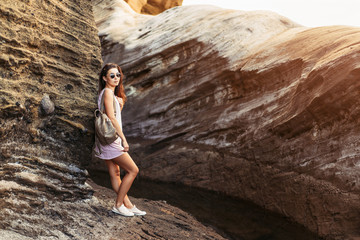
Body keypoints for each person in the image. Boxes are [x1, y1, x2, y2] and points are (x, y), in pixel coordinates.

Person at [94, 63, 146, 217]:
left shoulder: (108, 94)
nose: (116, 78)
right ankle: (118, 204)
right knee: (133, 170)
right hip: (112, 139)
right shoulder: (108, 93)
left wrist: (119, 104)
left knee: (115, 173)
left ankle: (128, 205)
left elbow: (113, 116)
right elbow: (110, 117)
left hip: (105, 139)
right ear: (104, 78)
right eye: (112, 75)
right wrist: (124, 139)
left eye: (118, 75)